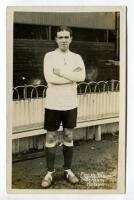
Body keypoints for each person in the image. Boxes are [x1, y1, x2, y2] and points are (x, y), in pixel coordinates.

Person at [41, 25, 86, 188]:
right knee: (51, 137)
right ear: (56, 39)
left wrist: (61, 72)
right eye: (60, 37)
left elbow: (81, 76)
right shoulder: (49, 56)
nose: (63, 40)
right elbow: (49, 78)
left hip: (70, 102)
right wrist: (71, 76)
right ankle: (50, 172)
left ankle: (68, 170)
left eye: (66, 37)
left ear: (71, 39)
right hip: (53, 102)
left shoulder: (77, 57)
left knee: (68, 135)